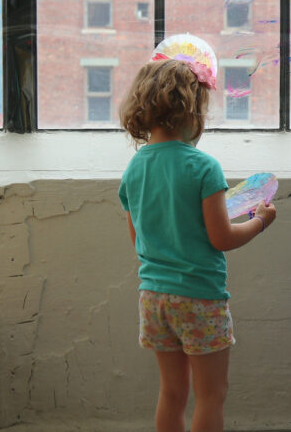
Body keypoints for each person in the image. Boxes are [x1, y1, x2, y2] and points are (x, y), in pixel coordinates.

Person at [118, 58, 277, 432]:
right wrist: (259, 222)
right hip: (199, 299)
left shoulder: (134, 170)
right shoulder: (204, 168)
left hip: (153, 297)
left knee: (171, 393)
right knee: (211, 394)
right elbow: (221, 238)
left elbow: (138, 240)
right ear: (192, 109)